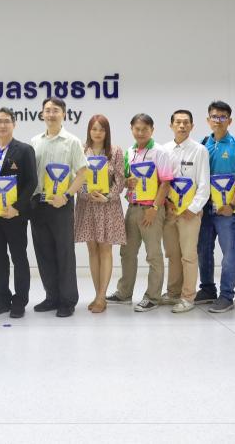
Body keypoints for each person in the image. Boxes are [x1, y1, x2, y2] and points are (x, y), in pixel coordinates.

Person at [108, 113, 174, 312]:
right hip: (133, 208)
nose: (141, 132)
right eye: (137, 129)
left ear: (152, 130)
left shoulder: (160, 152)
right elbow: (125, 179)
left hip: (151, 210)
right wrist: (127, 182)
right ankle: (124, 293)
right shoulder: (130, 152)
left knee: (153, 254)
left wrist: (155, 208)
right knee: (127, 252)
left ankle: (153, 297)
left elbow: (166, 183)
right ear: (131, 129)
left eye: (145, 129)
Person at [30, 97, 89, 318]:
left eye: (56, 110)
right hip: (38, 203)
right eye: (47, 110)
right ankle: (51, 297)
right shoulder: (35, 141)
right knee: (43, 252)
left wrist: (66, 196)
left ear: (64, 114)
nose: (51, 114)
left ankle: (67, 300)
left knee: (64, 253)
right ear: (42, 114)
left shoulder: (72, 141)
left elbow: (82, 173)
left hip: (61, 203)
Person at [0, 108, 37, 319]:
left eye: (6, 121)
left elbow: (32, 182)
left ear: (14, 124)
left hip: (15, 215)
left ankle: (20, 300)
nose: (2, 125)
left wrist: (17, 208)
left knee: (19, 258)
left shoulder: (25, 150)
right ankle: (2, 299)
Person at [196, 101, 235, 314]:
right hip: (206, 209)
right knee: (203, 250)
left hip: (227, 210)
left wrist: (232, 204)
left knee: (229, 253)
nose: (218, 121)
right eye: (214, 117)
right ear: (208, 119)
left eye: (222, 117)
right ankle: (207, 289)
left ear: (230, 120)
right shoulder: (203, 144)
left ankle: (227, 296)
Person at [74, 114, 126, 313]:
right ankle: (98, 294)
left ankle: (102, 297)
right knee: (92, 250)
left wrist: (108, 196)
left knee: (105, 249)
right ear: (89, 130)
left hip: (107, 206)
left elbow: (120, 179)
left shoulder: (115, 151)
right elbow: (76, 177)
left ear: (107, 132)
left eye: (101, 129)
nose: (97, 133)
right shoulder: (81, 150)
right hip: (87, 206)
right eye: (94, 129)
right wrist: (85, 193)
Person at [160, 110, 210, 313]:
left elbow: (204, 184)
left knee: (188, 255)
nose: (182, 126)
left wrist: (193, 208)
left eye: (186, 122)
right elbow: (161, 181)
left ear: (192, 126)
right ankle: (173, 292)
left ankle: (188, 297)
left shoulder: (200, 150)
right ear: (171, 125)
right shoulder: (164, 150)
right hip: (170, 210)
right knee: (173, 254)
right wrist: (166, 203)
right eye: (178, 122)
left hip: (190, 213)